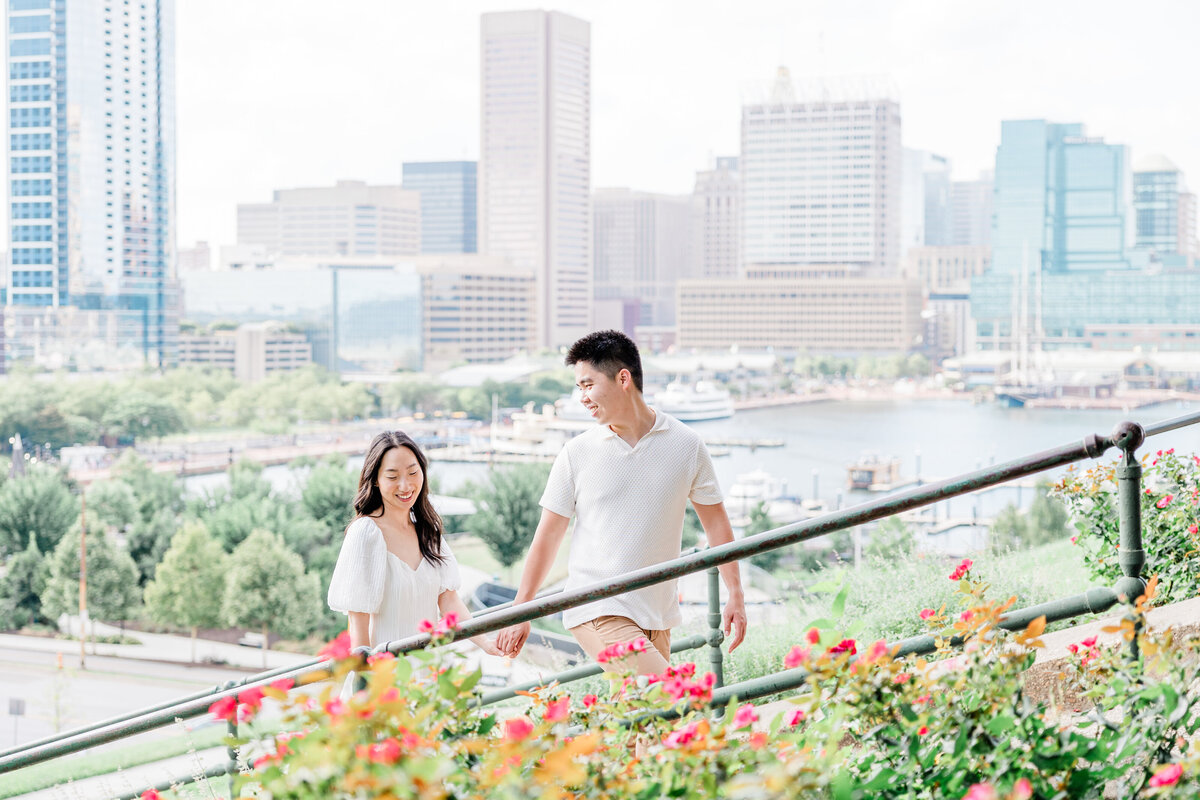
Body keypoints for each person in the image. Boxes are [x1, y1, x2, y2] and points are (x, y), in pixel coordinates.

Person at [496, 330, 747, 674]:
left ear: (623, 378)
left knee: (643, 719)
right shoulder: (577, 453)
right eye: (578, 388)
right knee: (673, 698)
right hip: (597, 607)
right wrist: (521, 611)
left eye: (587, 385)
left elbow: (716, 523)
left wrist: (736, 593)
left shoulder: (686, 445)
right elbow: (548, 536)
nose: (582, 397)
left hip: (657, 612)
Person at [327, 430, 499, 655]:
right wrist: (367, 680)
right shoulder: (366, 533)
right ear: (376, 480)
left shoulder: (428, 530)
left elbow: (448, 600)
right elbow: (358, 618)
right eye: (392, 476)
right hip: (385, 674)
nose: (405, 486)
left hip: (428, 671)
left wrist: (486, 643)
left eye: (412, 472)